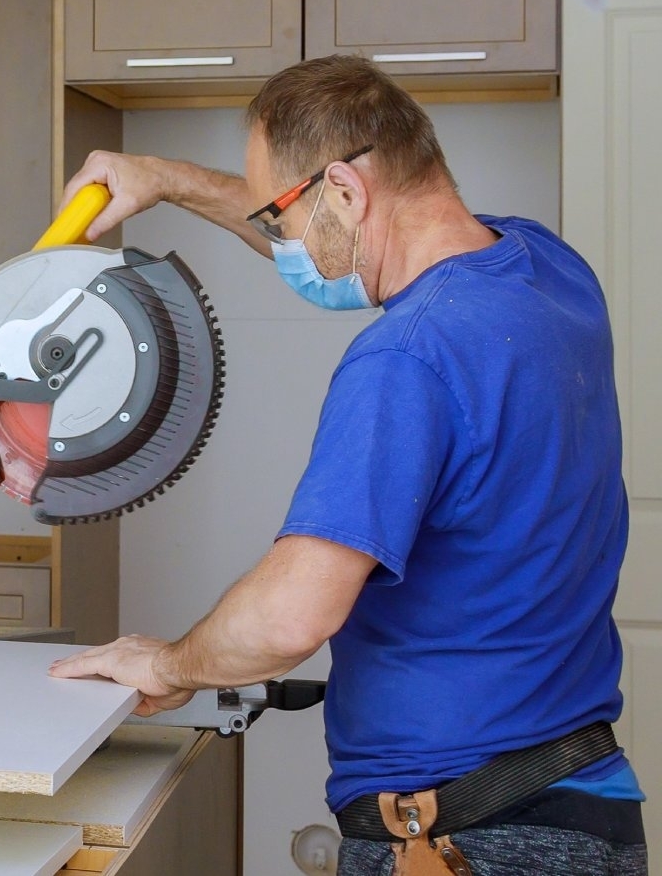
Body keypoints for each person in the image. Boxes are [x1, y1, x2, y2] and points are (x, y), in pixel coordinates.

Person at [48, 56, 647, 876]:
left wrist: (166, 664)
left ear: (344, 190)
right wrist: (166, 180)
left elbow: (292, 618)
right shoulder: (547, 270)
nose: (280, 242)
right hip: (586, 806)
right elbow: (330, 244)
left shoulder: (405, 358)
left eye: (279, 218)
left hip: (467, 838)